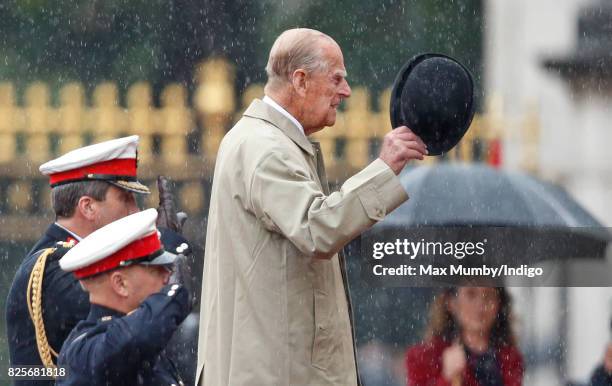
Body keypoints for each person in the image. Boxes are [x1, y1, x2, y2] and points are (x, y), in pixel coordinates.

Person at [197, 28, 428, 386]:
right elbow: (317, 228)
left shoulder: (263, 140)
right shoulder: (266, 147)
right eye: (337, 79)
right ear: (300, 80)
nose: (346, 92)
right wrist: (383, 170)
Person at [5, 136, 189, 386]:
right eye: (125, 199)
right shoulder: (55, 267)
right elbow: (131, 313)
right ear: (88, 207)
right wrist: (161, 248)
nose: (135, 211)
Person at [56, 208, 191, 386]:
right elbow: (134, 337)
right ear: (121, 284)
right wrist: (175, 295)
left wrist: (166, 243)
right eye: (156, 269)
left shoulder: (137, 334)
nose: (167, 275)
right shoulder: (85, 351)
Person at [406, 287, 524, 386]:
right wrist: (447, 378)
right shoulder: (425, 357)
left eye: (488, 295)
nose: (480, 304)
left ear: (499, 304)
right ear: (451, 303)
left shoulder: (510, 359)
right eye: (471, 294)